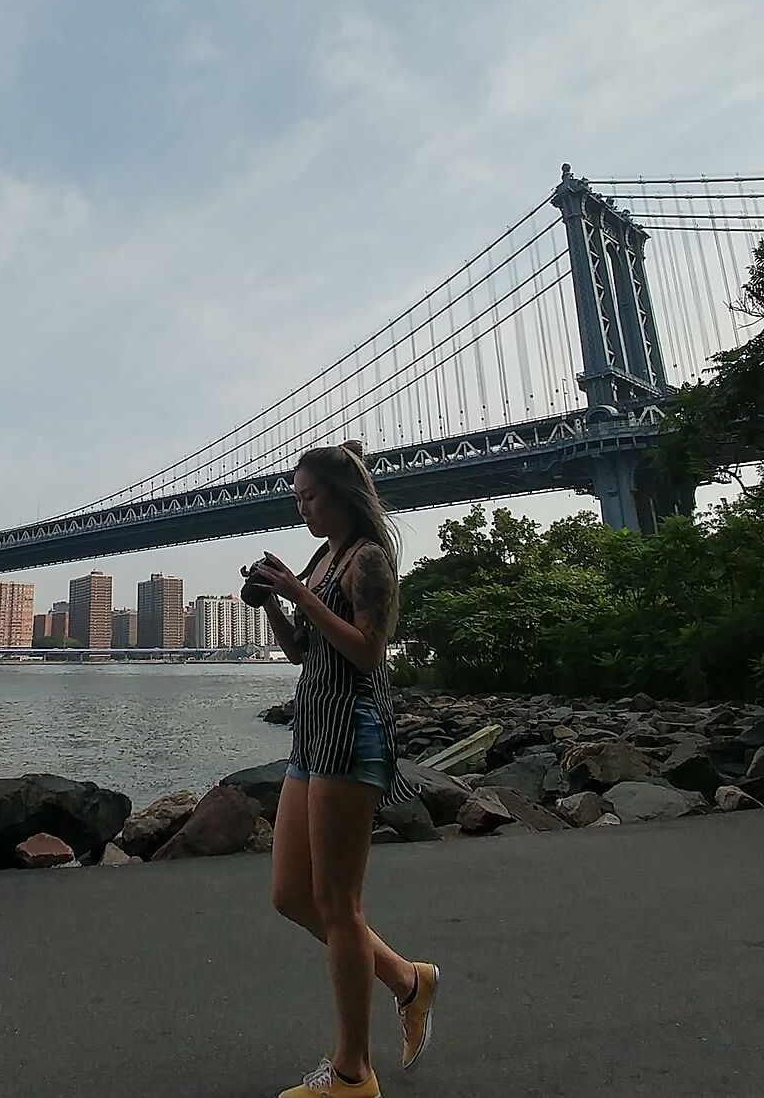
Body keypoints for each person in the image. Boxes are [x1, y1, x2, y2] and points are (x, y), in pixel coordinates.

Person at [242, 439, 441, 1098]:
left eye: (311, 497)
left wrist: (302, 589)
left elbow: (366, 654)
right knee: (291, 896)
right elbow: (304, 651)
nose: (302, 510)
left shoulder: (369, 560)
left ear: (342, 496)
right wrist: (275, 599)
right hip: (312, 733)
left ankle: (353, 1073)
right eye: (296, 500)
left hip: (354, 736)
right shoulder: (324, 556)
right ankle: (410, 982)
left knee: (338, 903)